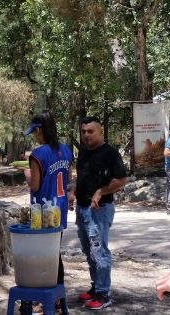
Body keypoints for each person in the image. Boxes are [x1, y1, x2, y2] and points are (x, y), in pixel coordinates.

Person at [68, 116, 128, 310]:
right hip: (82, 209)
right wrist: (72, 192)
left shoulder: (110, 153)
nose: (86, 135)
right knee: (88, 251)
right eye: (84, 131)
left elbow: (121, 179)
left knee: (99, 251)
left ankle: (104, 294)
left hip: (99, 211)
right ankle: (96, 287)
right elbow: (82, 176)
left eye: (90, 131)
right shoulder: (83, 152)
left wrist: (101, 191)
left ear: (100, 132)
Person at [23, 110, 73, 313]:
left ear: (40, 130)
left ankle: (47, 301)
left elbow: (34, 185)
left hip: (42, 211)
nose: (34, 135)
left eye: (35, 131)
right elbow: (68, 179)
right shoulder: (66, 150)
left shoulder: (38, 154)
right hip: (59, 209)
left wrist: (26, 173)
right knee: (54, 255)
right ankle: (57, 300)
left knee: (43, 257)